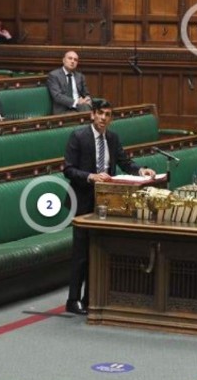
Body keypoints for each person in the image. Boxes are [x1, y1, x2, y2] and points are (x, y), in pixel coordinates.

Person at [62, 100, 157, 315]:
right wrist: (91, 177)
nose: (104, 118)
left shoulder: (112, 139)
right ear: (92, 115)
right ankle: (73, 299)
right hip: (83, 200)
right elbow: (68, 170)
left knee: (98, 249)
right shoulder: (79, 136)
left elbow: (125, 162)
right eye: (101, 114)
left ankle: (91, 297)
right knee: (81, 252)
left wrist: (140, 170)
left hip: (106, 201)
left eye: (108, 115)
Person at [47, 50, 93, 114]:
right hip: (63, 109)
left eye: (75, 60)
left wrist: (87, 99)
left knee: (89, 108)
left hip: (80, 107)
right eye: (70, 58)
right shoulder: (54, 75)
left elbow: (86, 94)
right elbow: (57, 96)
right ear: (63, 60)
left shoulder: (80, 76)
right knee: (84, 112)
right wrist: (76, 102)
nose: (72, 61)